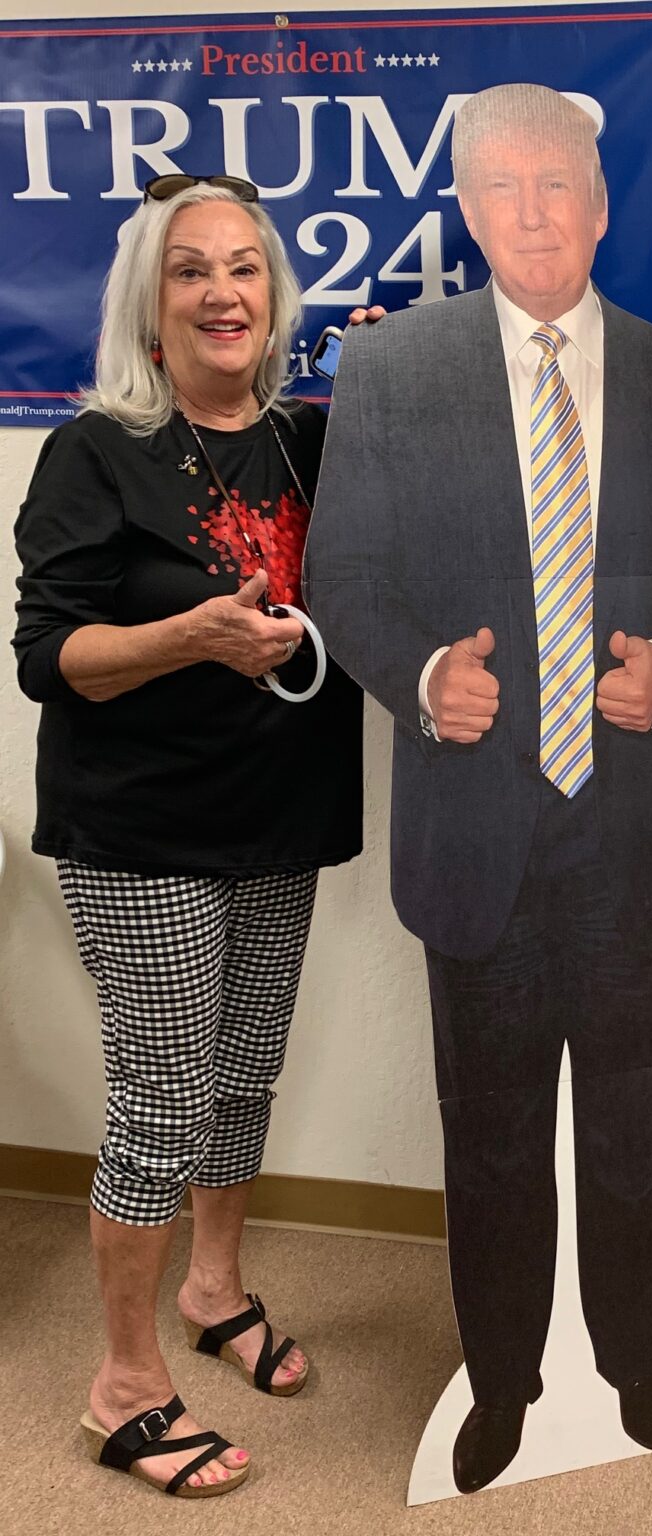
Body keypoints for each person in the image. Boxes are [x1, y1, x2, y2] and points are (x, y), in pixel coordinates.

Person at [305, 84, 652, 1494]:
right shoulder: (393, 372)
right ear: (466, 206)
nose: (531, 212)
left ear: (603, 202)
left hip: (632, 828)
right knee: (493, 1129)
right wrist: (423, 674)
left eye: (556, 182)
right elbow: (343, 577)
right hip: (476, 825)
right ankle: (503, 1379)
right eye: (501, 186)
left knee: (635, 1118)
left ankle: (636, 1359)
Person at [12, 176, 362, 1498]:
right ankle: (122, 1384)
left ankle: (214, 1287)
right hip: (143, 829)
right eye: (190, 270)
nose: (223, 291)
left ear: (276, 298)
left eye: (245, 268)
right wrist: (189, 639)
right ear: (149, 308)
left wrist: (400, 389)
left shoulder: (315, 441)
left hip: (282, 814)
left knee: (243, 1075)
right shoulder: (96, 450)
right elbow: (49, 658)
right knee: (161, 1100)